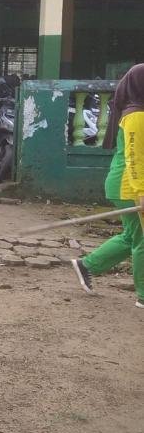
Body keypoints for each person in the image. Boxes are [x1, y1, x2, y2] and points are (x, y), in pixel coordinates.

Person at [72, 63, 144, 308]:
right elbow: (135, 158)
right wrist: (141, 193)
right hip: (130, 187)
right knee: (142, 239)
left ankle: (88, 264)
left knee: (131, 236)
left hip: (128, 185)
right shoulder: (136, 115)